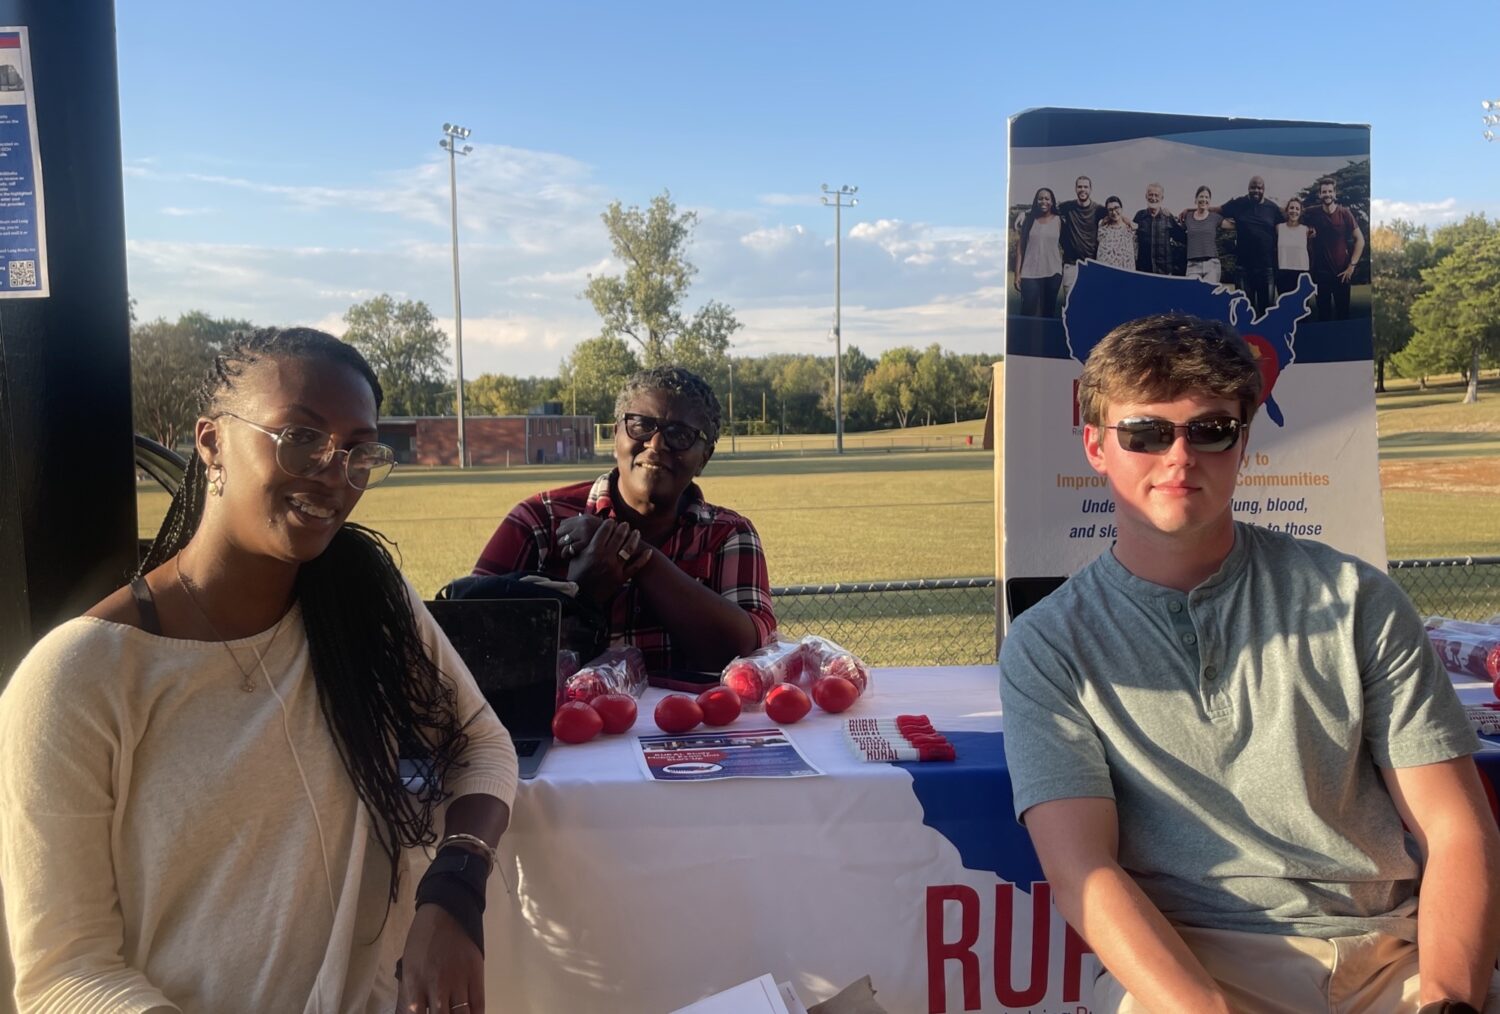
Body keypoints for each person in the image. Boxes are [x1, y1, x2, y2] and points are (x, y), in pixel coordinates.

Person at [0, 328, 518, 1013]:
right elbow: (64, 974)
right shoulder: (77, 679)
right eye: (300, 436)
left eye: (358, 449)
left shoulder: (364, 596)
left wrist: (455, 889)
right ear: (211, 443)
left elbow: (482, 744)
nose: (335, 472)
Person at [999, 313, 1500, 1014]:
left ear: (1243, 444)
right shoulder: (1048, 645)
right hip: (1193, 969)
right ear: (1096, 447)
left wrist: (1450, 1001)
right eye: (1145, 433)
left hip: (1390, 960)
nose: (1179, 457)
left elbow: (1455, 828)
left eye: (1210, 430)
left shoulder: (1357, 600)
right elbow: (1083, 867)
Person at [474, 365, 775, 672]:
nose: (656, 445)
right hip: (557, 720)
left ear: (704, 458)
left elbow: (748, 652)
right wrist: (578, 594)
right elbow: (464, 640)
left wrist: (635, 554)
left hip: (691, 721)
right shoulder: (538, 520)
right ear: (616, 434)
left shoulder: (727, 534)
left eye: (680, 435)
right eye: (641, 425)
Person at [1216, 176, 1284, 315]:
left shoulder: (1272, 208)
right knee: (1245, 312)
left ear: (1264, 189)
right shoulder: (1238, 203)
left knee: (1267, 312)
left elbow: (1289, 222)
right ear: (1248, 188)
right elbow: (1217, 210)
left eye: (1259, 188)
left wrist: (1309, 228)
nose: (1256, 190)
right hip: (1243, 268)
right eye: (1253, 187)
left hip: (1266, 268)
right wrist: (1190, 210)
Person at [1302, 176, 1366, 321]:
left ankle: (1344, 343)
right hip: (1320, 273)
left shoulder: (1345, 213)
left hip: (1342, 273)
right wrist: (1307, 230)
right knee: (1323, 315)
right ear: (1319, 194)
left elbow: (1360, 240)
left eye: (1330, 191)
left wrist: (1352, 266)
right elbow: (1294, 216)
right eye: (1324, 192)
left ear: (1335, 193)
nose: (1327, 195)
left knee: (1343, 315)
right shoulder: (1311, 213)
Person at [1013, 187, 1064, 316]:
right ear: (1036, 201)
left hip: (1053, 272)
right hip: (1030, 273)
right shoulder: (1029, 220)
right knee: (1027, 311)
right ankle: (1024, 336)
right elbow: (1021, 248)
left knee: (1048, 312)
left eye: (1047, 198)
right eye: (1040, 198)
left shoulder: (1059, 221)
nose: (1043, 201)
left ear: (1052, 202)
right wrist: (1017, 274)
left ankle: (1047, 337)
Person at [1058, 176, 1109, 293]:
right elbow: (1046, 208)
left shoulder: (1099, 209)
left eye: (1085, 187)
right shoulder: (1067, 207)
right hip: (1071, 265)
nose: (1082, 189)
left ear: (1090, 189)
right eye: (1079, 186)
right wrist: (1025, 213)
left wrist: (1128, 221)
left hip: (1091, 264)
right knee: (1070, 306)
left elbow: (1116, 214)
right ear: (1075, 189)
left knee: (1090, 304)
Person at [1132, 183, 1184, 275]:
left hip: (1164, 271)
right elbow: (1130, 234)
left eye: (1157, 195)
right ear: (1146, 196)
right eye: (1151, 194)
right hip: (1143, 270)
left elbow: (1182, 238)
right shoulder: (1139, 216)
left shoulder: (1168, 217)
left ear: (1162, 198)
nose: (1153, 198)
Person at [1180, 185, 1225, 284]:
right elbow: (1177, 230)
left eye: (1206, 197)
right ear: (1195, 199)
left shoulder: (1215, 217)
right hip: (1193, 265)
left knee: (1208, 297)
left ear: (1210, 201)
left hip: (1212, 265)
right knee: (1192, 296)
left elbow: (1232, 225)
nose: (1204, 199)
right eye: (1201, 196)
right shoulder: (1187, 216)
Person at [1276, 195, 1315, 297]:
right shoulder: (1279, 228)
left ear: (1301, 212)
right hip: (1283, 272)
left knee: (1301, 309)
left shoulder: (1306, 230)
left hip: (1302, 273)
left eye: (1297, 209)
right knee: (1284, 308)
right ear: (1287, 210)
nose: (1294, 211)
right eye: (1291, 208)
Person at [1095, 196, 1137, 271]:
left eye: (1116, 208)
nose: (1114, 212)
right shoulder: (1102, 228)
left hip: (1125, 273)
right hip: (1106, 273)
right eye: (1110, 210)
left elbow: (1136, 251)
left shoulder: (1130, 229)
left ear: (1121, 208)